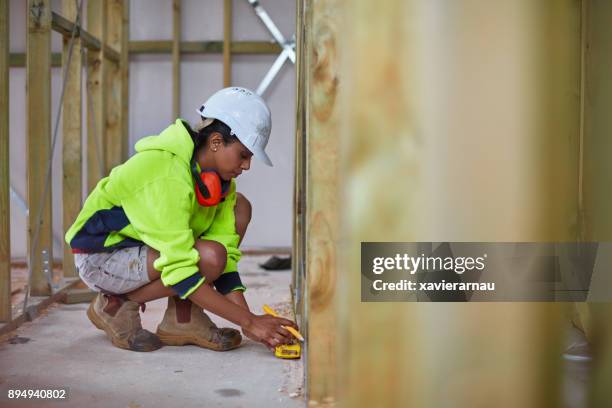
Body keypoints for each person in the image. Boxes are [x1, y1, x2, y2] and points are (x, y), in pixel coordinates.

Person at [65, 87, 298, 352]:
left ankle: (183, 319)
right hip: (100, 255)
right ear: (216, 142)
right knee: (207, 256)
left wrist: (251, 325)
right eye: (243, 154)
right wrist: (250, 321)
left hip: (142, 252)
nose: (247, 166)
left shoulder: (221, 184)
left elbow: (225, 262)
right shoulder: (168, 174)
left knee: (237, 212)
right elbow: (182, 269)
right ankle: (116, 305)